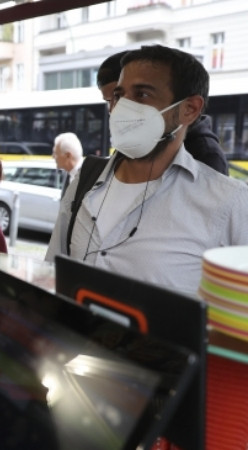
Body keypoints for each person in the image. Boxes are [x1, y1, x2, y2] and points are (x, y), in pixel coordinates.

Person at [48, 44, 248, 297]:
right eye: (119, 96)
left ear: (190, 109)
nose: (121, 109)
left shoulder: (229, 203)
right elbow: (52, 272)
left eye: (142, 95)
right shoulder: (85, 180)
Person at [97, 50, 229, 175]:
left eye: (140, 94)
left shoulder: (205, 156)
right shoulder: (136, 144)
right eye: (111, 100)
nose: (116, 109)